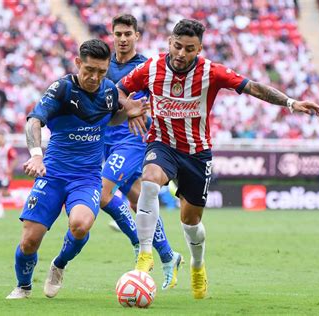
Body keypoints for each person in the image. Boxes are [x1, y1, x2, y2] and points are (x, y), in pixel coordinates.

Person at [118, 19, 319, 299]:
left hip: (197, 153)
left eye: (189, 49)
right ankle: (144, 255)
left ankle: (197, 264)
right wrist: (130, 106)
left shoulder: (211, 72)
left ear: (199, 49)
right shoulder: (150, 68)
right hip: (162, 144)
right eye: (177, 46)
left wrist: (290, 103)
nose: (181, 54)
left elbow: (254, 87)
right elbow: (117, 90)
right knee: (150, 183)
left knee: (191, 223)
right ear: (169, 42)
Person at [6, 39, 147, 299]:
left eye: (101, 72)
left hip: (87, 178)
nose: (95, 77)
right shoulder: (61, 89)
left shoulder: (109, 92)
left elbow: (112, 115)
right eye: (89, 70)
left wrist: (129, 113)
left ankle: (59, 264)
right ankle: (23, 286)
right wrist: (36, 156)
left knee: (80, 225)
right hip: (53, 174)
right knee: (29, 241)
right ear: (78, 63)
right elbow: (34, 121)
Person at [101, 14, 183, 291]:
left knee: (102, 193)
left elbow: (160, 101)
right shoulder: (104, 65)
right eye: (118, 34)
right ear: (112, 35)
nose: (123, 39)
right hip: (104, 139)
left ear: (137, 36)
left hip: (133, 140)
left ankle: (140, 244)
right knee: (137, 201)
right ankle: (169, 256)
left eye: (128, 34)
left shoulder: (147, 67)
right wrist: (125, 107)